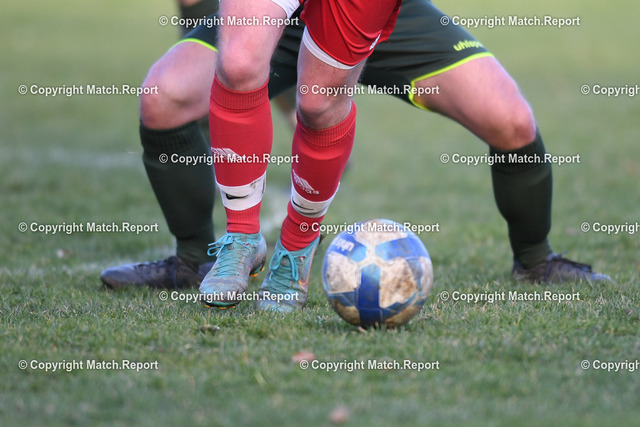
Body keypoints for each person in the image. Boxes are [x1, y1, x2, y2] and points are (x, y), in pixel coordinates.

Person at [101, 0, 610, 306]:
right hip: (283, 21)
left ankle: (535, 261)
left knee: (511, 120)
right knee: (164, 96)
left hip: (382, 14)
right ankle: (196, 259)